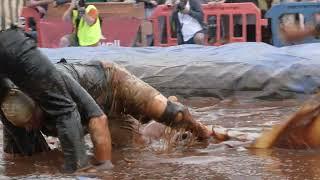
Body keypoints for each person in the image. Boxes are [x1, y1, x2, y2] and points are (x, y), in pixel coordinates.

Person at [0, 60, 213, 154]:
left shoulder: (58, 86)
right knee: (136, 147)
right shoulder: (11, 111)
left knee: (172, 114)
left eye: (32, 121)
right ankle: (156, 124)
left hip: (110, 85)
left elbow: (98, 120)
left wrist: (103, 168)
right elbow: (28, 161)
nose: (30, 128)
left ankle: (206, 131)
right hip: (84, 116)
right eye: (25, 124)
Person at [0, 0, 112, 173]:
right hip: (6, 37)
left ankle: (28, 166)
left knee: (7, 104)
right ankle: (78, 173)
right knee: (64, 108)